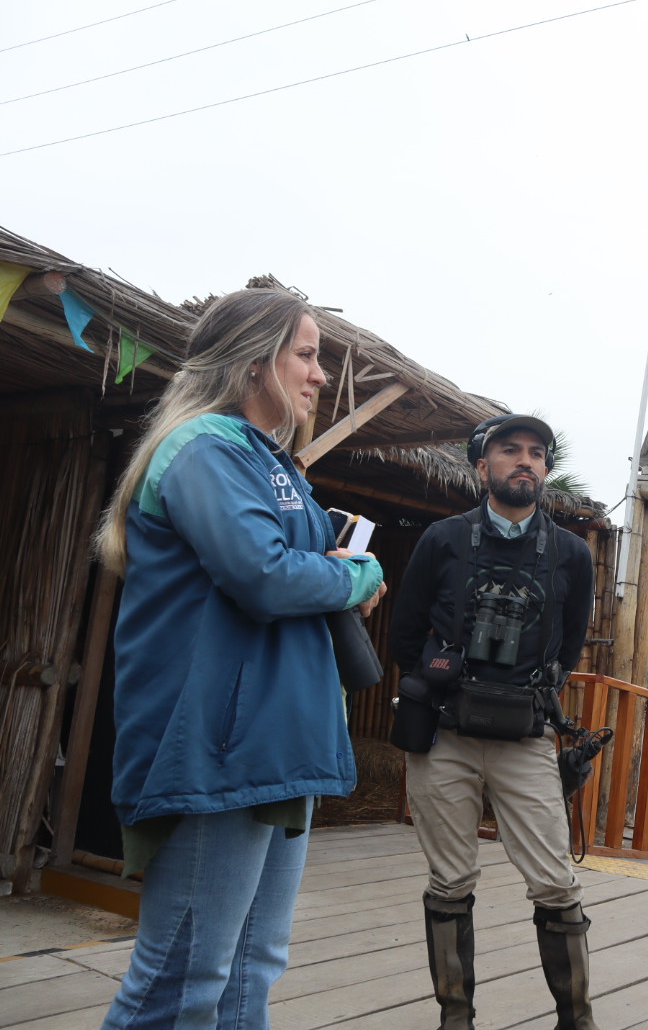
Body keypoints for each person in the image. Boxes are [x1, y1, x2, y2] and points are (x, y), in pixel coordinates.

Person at [95, 288, 386, 1030]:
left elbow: (317, 545)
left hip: (273, 742)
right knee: (181, 977)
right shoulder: (203, 449)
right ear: (255, 362)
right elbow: (266, 575)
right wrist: (359, 577)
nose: (320, 375)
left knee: (249, 972)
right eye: (308, 354)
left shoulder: (272, 463)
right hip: (215, 749)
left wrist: (337, 568)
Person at [389, 413, 598, 1030]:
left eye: (537, 453)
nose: (525, 461)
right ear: (483, 467)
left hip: (525, 738)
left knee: (556, 883)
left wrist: (529, 695)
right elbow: (405, 631)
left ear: (547, 471)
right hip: (445, 735)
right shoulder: (443, 539)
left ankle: (576, 1019)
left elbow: (571, 646)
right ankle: (457, 1018)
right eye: (511, 451)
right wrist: (441, 679)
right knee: (450, 880)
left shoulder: (571, 553)